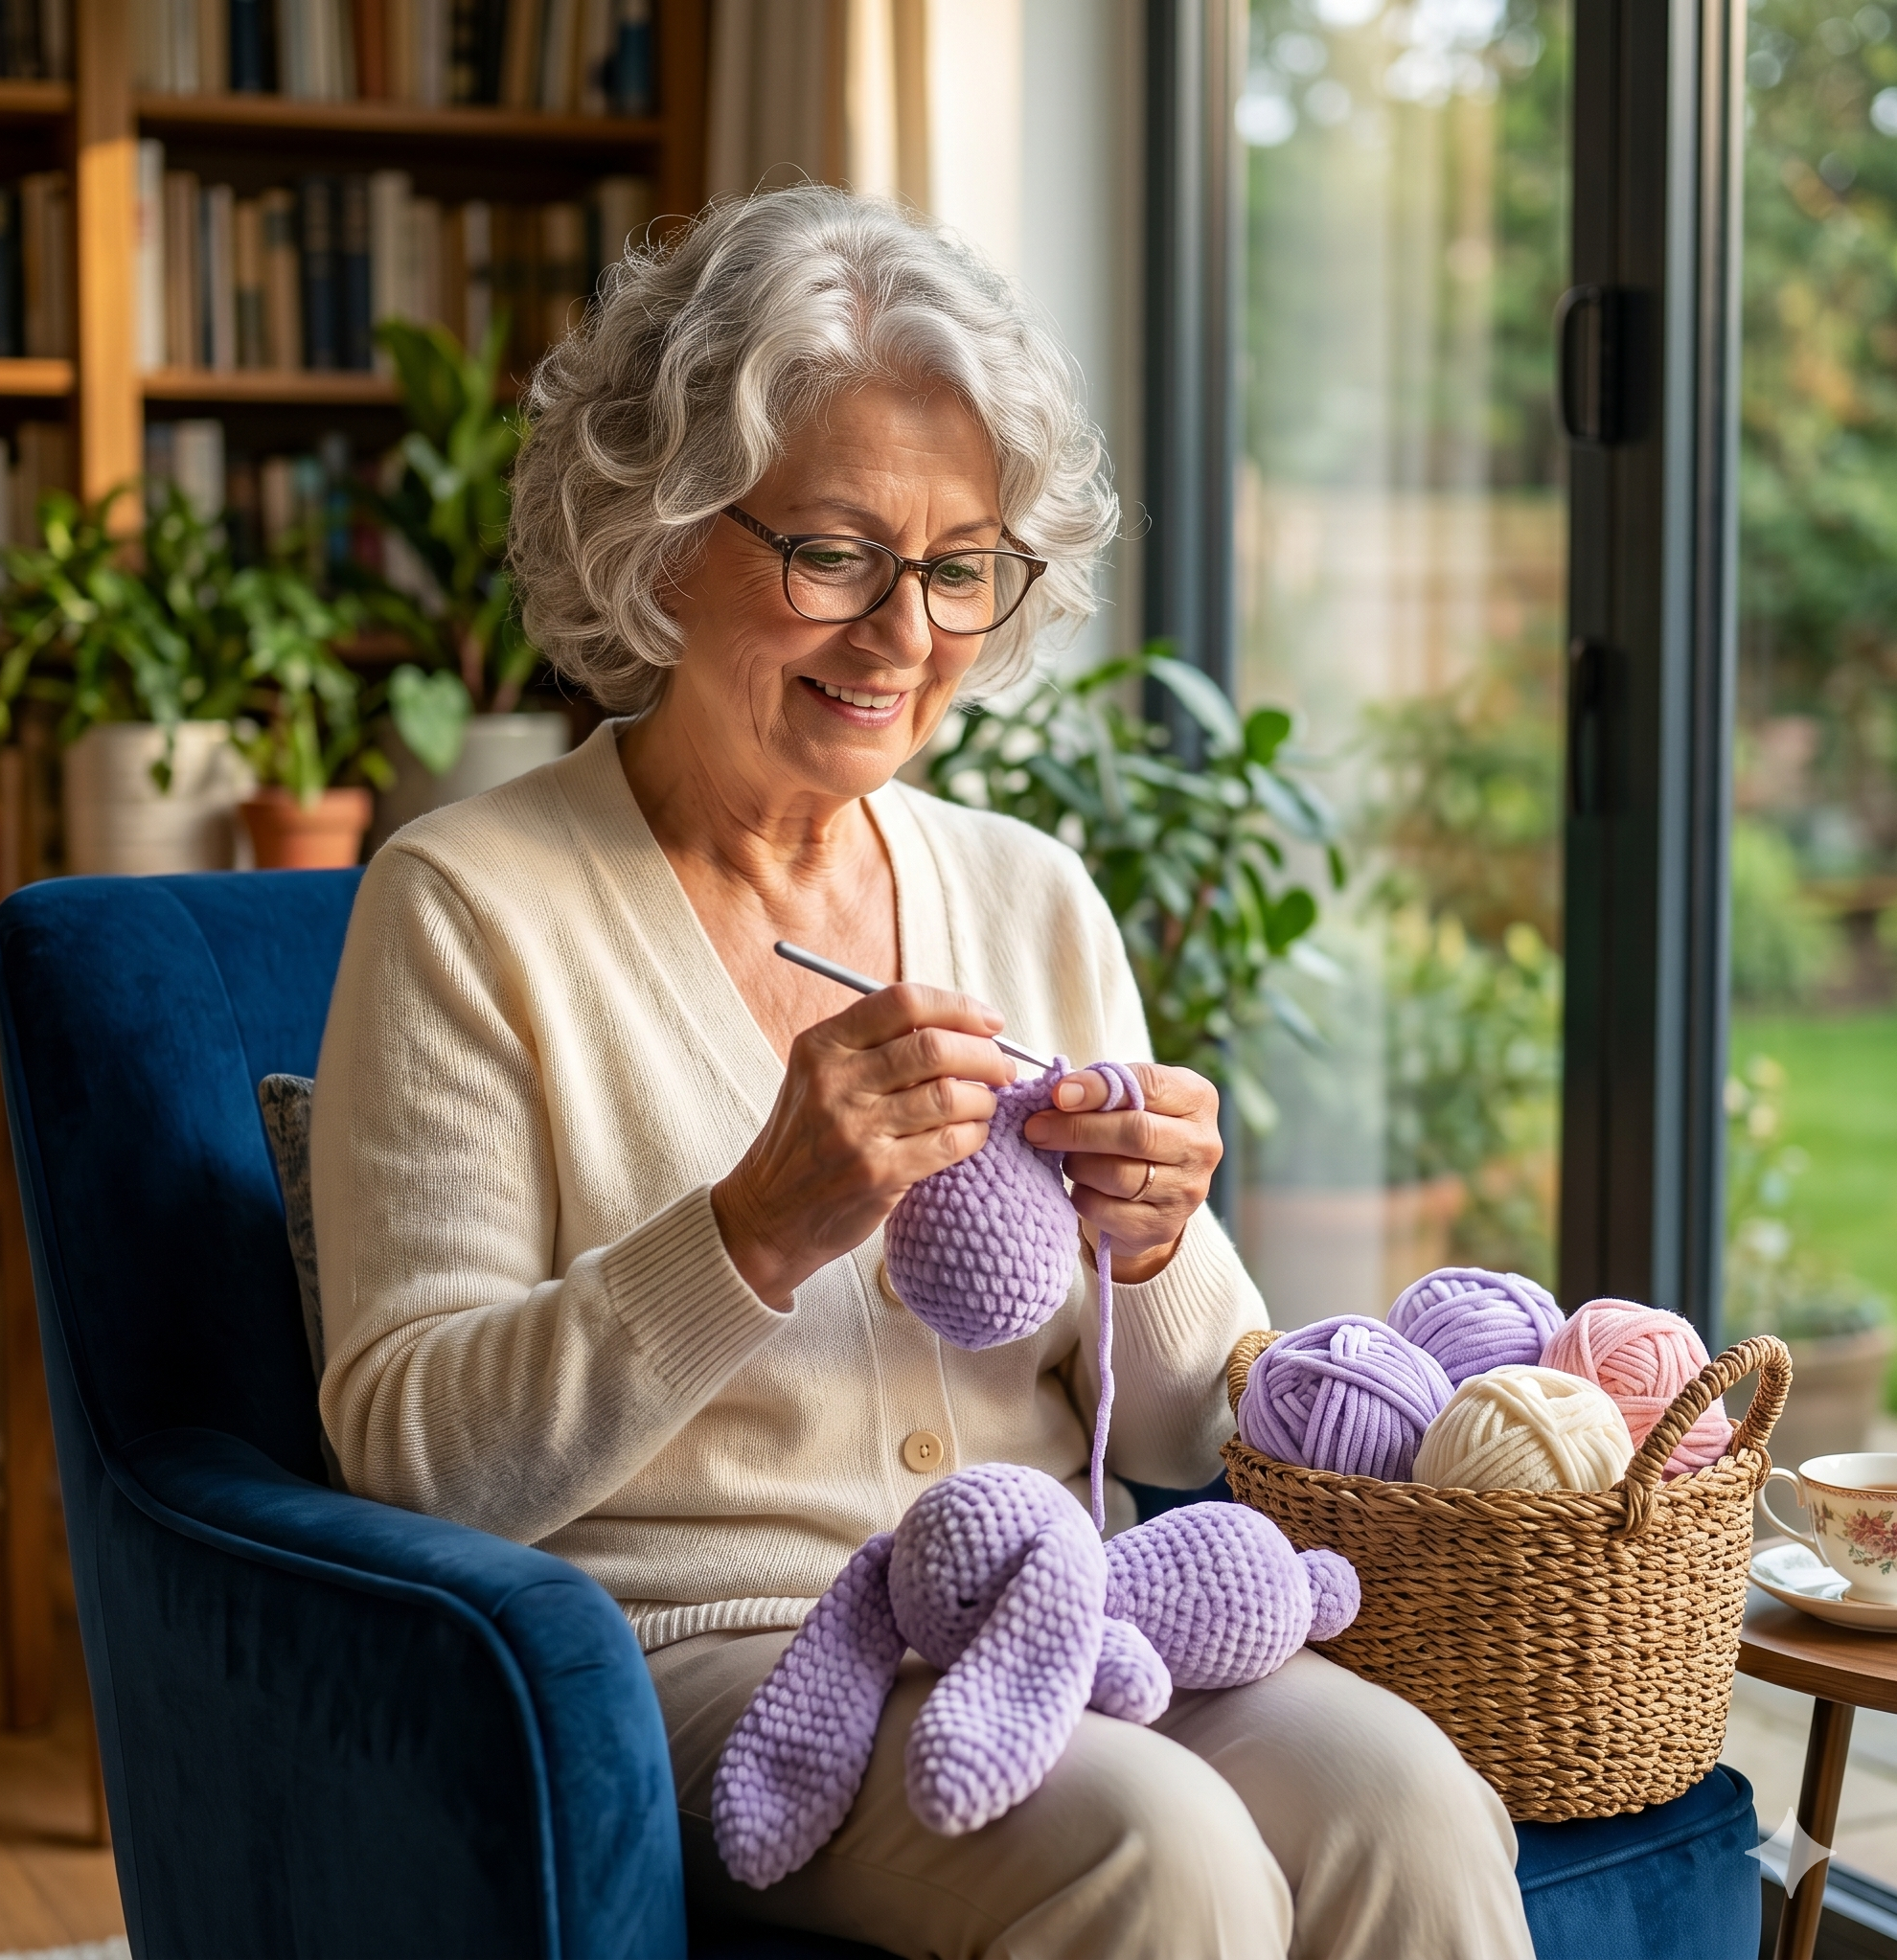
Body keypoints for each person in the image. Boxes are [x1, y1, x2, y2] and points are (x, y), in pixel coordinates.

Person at [310, 185, 1534, 1960]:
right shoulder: (467, 909)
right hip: (706, 1651)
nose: (904, 634)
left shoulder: (1028, 894)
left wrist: (1154, 1240)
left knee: (1410, 1802)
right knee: (1159, 1853)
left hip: (1071, 1606)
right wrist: (748, 1231)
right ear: (660, 536)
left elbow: (1196, 1416)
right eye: (832, 554)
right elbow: (411, 1457)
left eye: (960, 567)